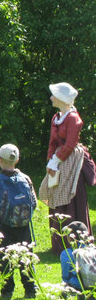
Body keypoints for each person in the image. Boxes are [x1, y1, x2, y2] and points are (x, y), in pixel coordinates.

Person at [38, 82, 96, 255]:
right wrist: (50, 161)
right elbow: (52, 142)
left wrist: (56, 160)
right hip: (58, 158)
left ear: (61, 98)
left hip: (71, 160)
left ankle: (76, 241)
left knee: (71, 195)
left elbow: (70, 143)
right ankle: (59, 242)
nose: (51, 98)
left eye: (53, 95)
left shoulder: (73, 118)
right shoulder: (57, 117)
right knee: (56, 194)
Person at [0, 143, 38, 299]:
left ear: (0, 160)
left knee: (4, 258)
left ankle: (7, 290)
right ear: (17, 160)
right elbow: (34, 203)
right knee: (26, 257)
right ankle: (30, 289)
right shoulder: (26, 179)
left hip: (3, 226)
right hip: (24, 227)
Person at [60, 221, 96, 293]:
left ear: (70, 238)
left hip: (79, 284)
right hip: (94, 282)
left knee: (70, 280)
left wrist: (65, 284)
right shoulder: (92, 249)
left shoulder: (67, 253)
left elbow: (65, 275)